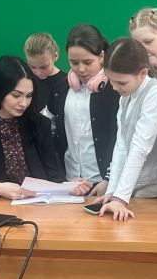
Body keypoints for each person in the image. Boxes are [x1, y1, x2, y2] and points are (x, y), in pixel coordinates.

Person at [0, 55, 90, 200]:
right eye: (16, 95)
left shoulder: (39, 123)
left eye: (29, 96)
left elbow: (53, 174)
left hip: (36, 204)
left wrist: (67, 187)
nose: (24, 103)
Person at [94, 38, 157, 221]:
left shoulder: (156, 94)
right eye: (111, 80)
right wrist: (113, 192)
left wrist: (120, 198)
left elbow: (140, 147)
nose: (115, 87)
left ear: (143, 73)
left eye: (122, 82)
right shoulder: (127, 95)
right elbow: (121, 145)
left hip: (155, 193)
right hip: (131, 191)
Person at [45, 24, 119, 196]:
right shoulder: (60, 89)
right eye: (74, 62)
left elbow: (124, 140)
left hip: (104, 183)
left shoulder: (116, 89)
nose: (81, 69)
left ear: (101, 56)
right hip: (70, 182)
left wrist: (110, 179)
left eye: (87, 62)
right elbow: (47, 128)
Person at [23, 32, 66, 112]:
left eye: (44, 67)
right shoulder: (24, 80)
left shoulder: (66, 82)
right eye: (32, 67)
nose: (38, 72)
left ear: (55, 56)